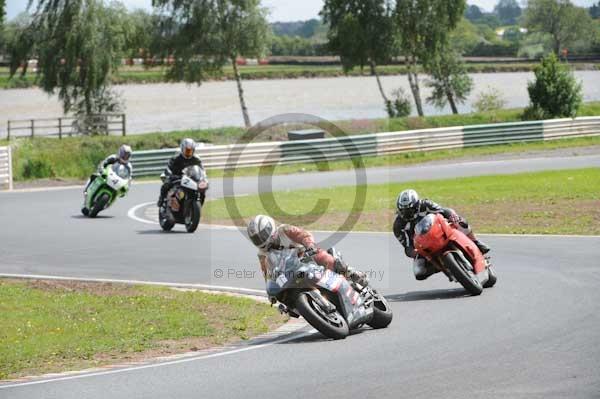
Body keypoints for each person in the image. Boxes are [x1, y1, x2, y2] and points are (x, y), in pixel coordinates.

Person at [393, 189, 491, 281]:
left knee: (461, 223)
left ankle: (475, 242)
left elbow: (444, 210)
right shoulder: (398, 226)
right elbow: (407, 247)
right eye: (403, 211)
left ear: (416, 205)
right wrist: (414, 252)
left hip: (439, 231)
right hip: (424, 246)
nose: (406, 213)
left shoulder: (426, 204)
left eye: (409, 210)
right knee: (419, 272)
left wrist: (453, 217)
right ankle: (441, 267)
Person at [247, 215, 368, 287]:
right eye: (257, 238)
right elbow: (267, 274)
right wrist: (271, 289)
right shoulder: (262, 253)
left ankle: (351, 272)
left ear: (270, 228)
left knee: (320, 256)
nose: (261, 239)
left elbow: (303, 235)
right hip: (290, 272)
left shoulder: (284, 230)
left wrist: (309, 246)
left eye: (262, 235)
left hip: (306, 257)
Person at [82, 144, 132, 214]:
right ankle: (86, 191)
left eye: (128, 155)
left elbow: (129, 177)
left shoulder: (128, 166)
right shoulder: (113, 157)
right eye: (125, 154)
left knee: (119, 193)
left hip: (117, 180)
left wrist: (127, 186)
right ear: (120, 152)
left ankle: (104, 205)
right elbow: (103, 163)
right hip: (106, 174)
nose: (126, 156)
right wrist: (101, 168)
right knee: (94, 176)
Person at [157, 138, 204, 207]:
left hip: (191, 180)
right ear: (182, 149)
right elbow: (168, 169)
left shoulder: (196, 159)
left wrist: (202, 178)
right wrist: (170, 175)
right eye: (187, 151)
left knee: (202, 189)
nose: (188, 153)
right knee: (166, 184)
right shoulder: (175, 159)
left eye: (190, 151)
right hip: (176, 179)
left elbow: (201, 170)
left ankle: (197, 205)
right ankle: (161, 200)